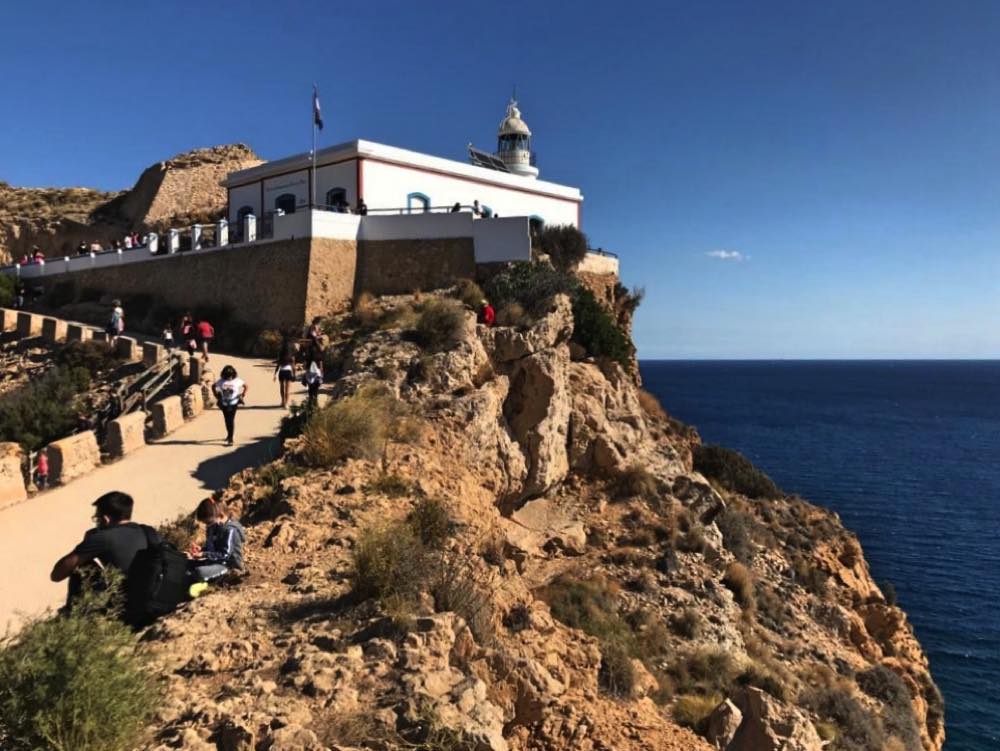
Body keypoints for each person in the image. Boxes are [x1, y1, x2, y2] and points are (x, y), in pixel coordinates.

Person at [50, 491, 155, 611]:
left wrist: (87, 544)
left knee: (83, 566)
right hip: (156, 596)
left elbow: (57, 575)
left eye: (97, 518)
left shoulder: (102, 537)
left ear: (106, 519)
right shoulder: (148, 531)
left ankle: (72, 615)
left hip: (129, 606)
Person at [187, 498, 246, 586]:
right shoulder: (214, 526)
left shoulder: (230, 530)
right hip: (215, 562)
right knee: (186, 564)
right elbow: (213, 549)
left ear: (221, 515)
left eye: (208, 522)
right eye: (205, 523)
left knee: (199, 572)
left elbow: (224, 555)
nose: (207, 525)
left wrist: (204, 554)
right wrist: (201, 550)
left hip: (229, 566)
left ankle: (227, 579)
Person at [213, 365, 247, 446]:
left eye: (231, 376)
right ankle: (229, 435)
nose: (229, 378)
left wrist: (243, 395)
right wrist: (216, 395)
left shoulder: (237, 381)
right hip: (224, 403)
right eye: (227, 376)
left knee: (230, 420)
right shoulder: (221, 381)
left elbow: (246, 386)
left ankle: (230, 439)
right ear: (224, 375)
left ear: (234, 374)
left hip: (233, 403)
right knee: (226, 419)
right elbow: (213, 386)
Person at [273, 336, 297, 408]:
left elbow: (278, 365)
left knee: (282, 388)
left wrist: (275, 374)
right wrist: (294, 375)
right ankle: (286, 403)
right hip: (288, 372)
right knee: (287, 389)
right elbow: (293, 367)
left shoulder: (281, 355)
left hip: (281, 372)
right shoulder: (291, 356)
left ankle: (282, 401)